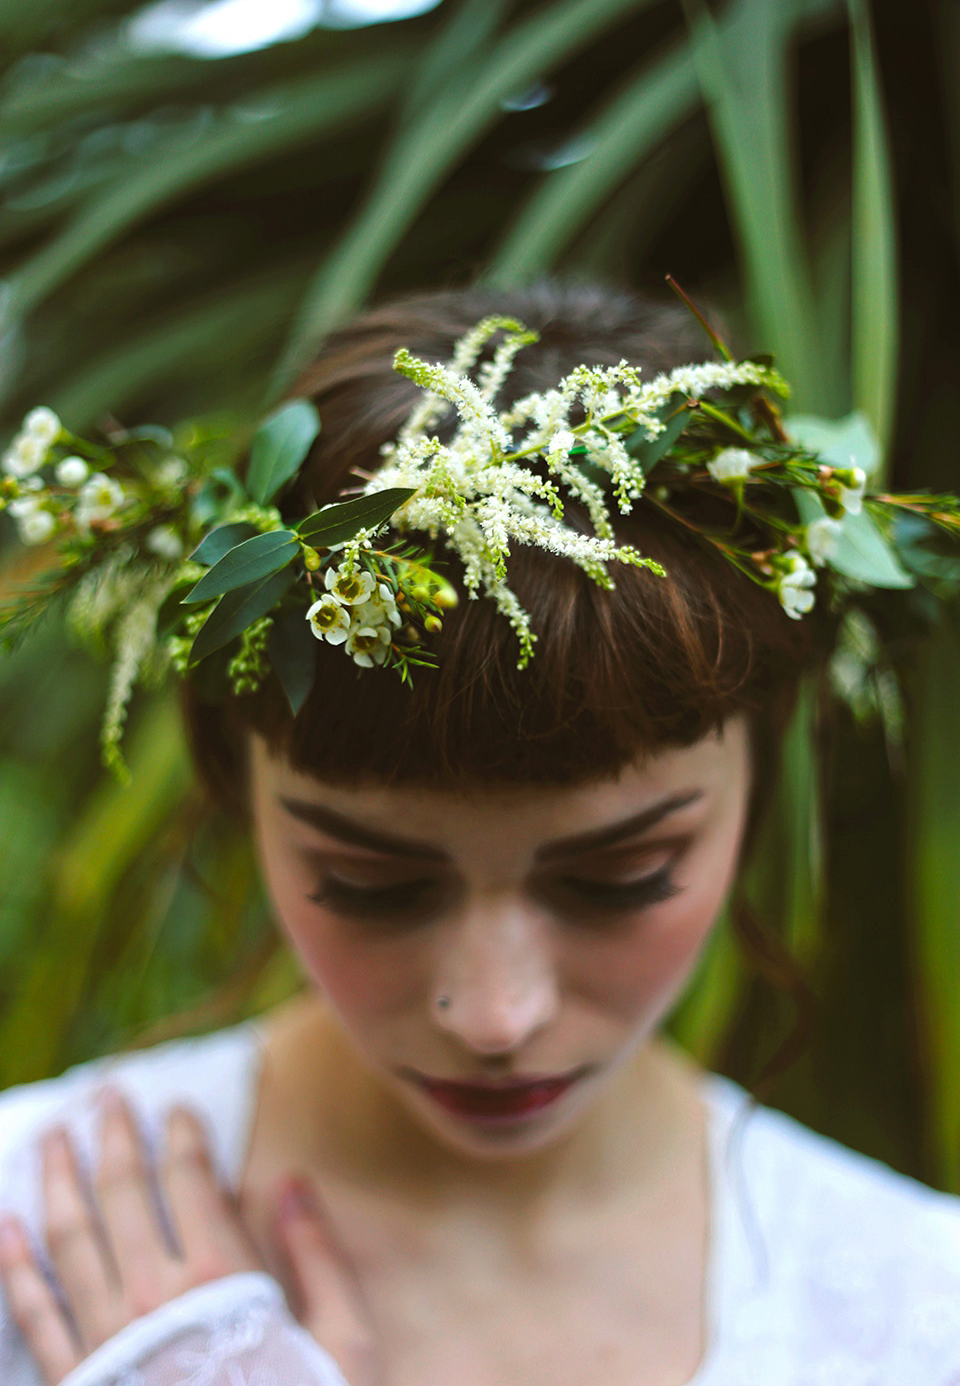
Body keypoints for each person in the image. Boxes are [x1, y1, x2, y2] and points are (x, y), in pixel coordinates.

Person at [0, 281, 958, 1386]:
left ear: (766, 767)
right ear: (233, 782)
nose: (498, 1016)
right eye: (370, 882)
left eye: (623, 876)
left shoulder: (921, 1312)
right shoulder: (37, 1239)